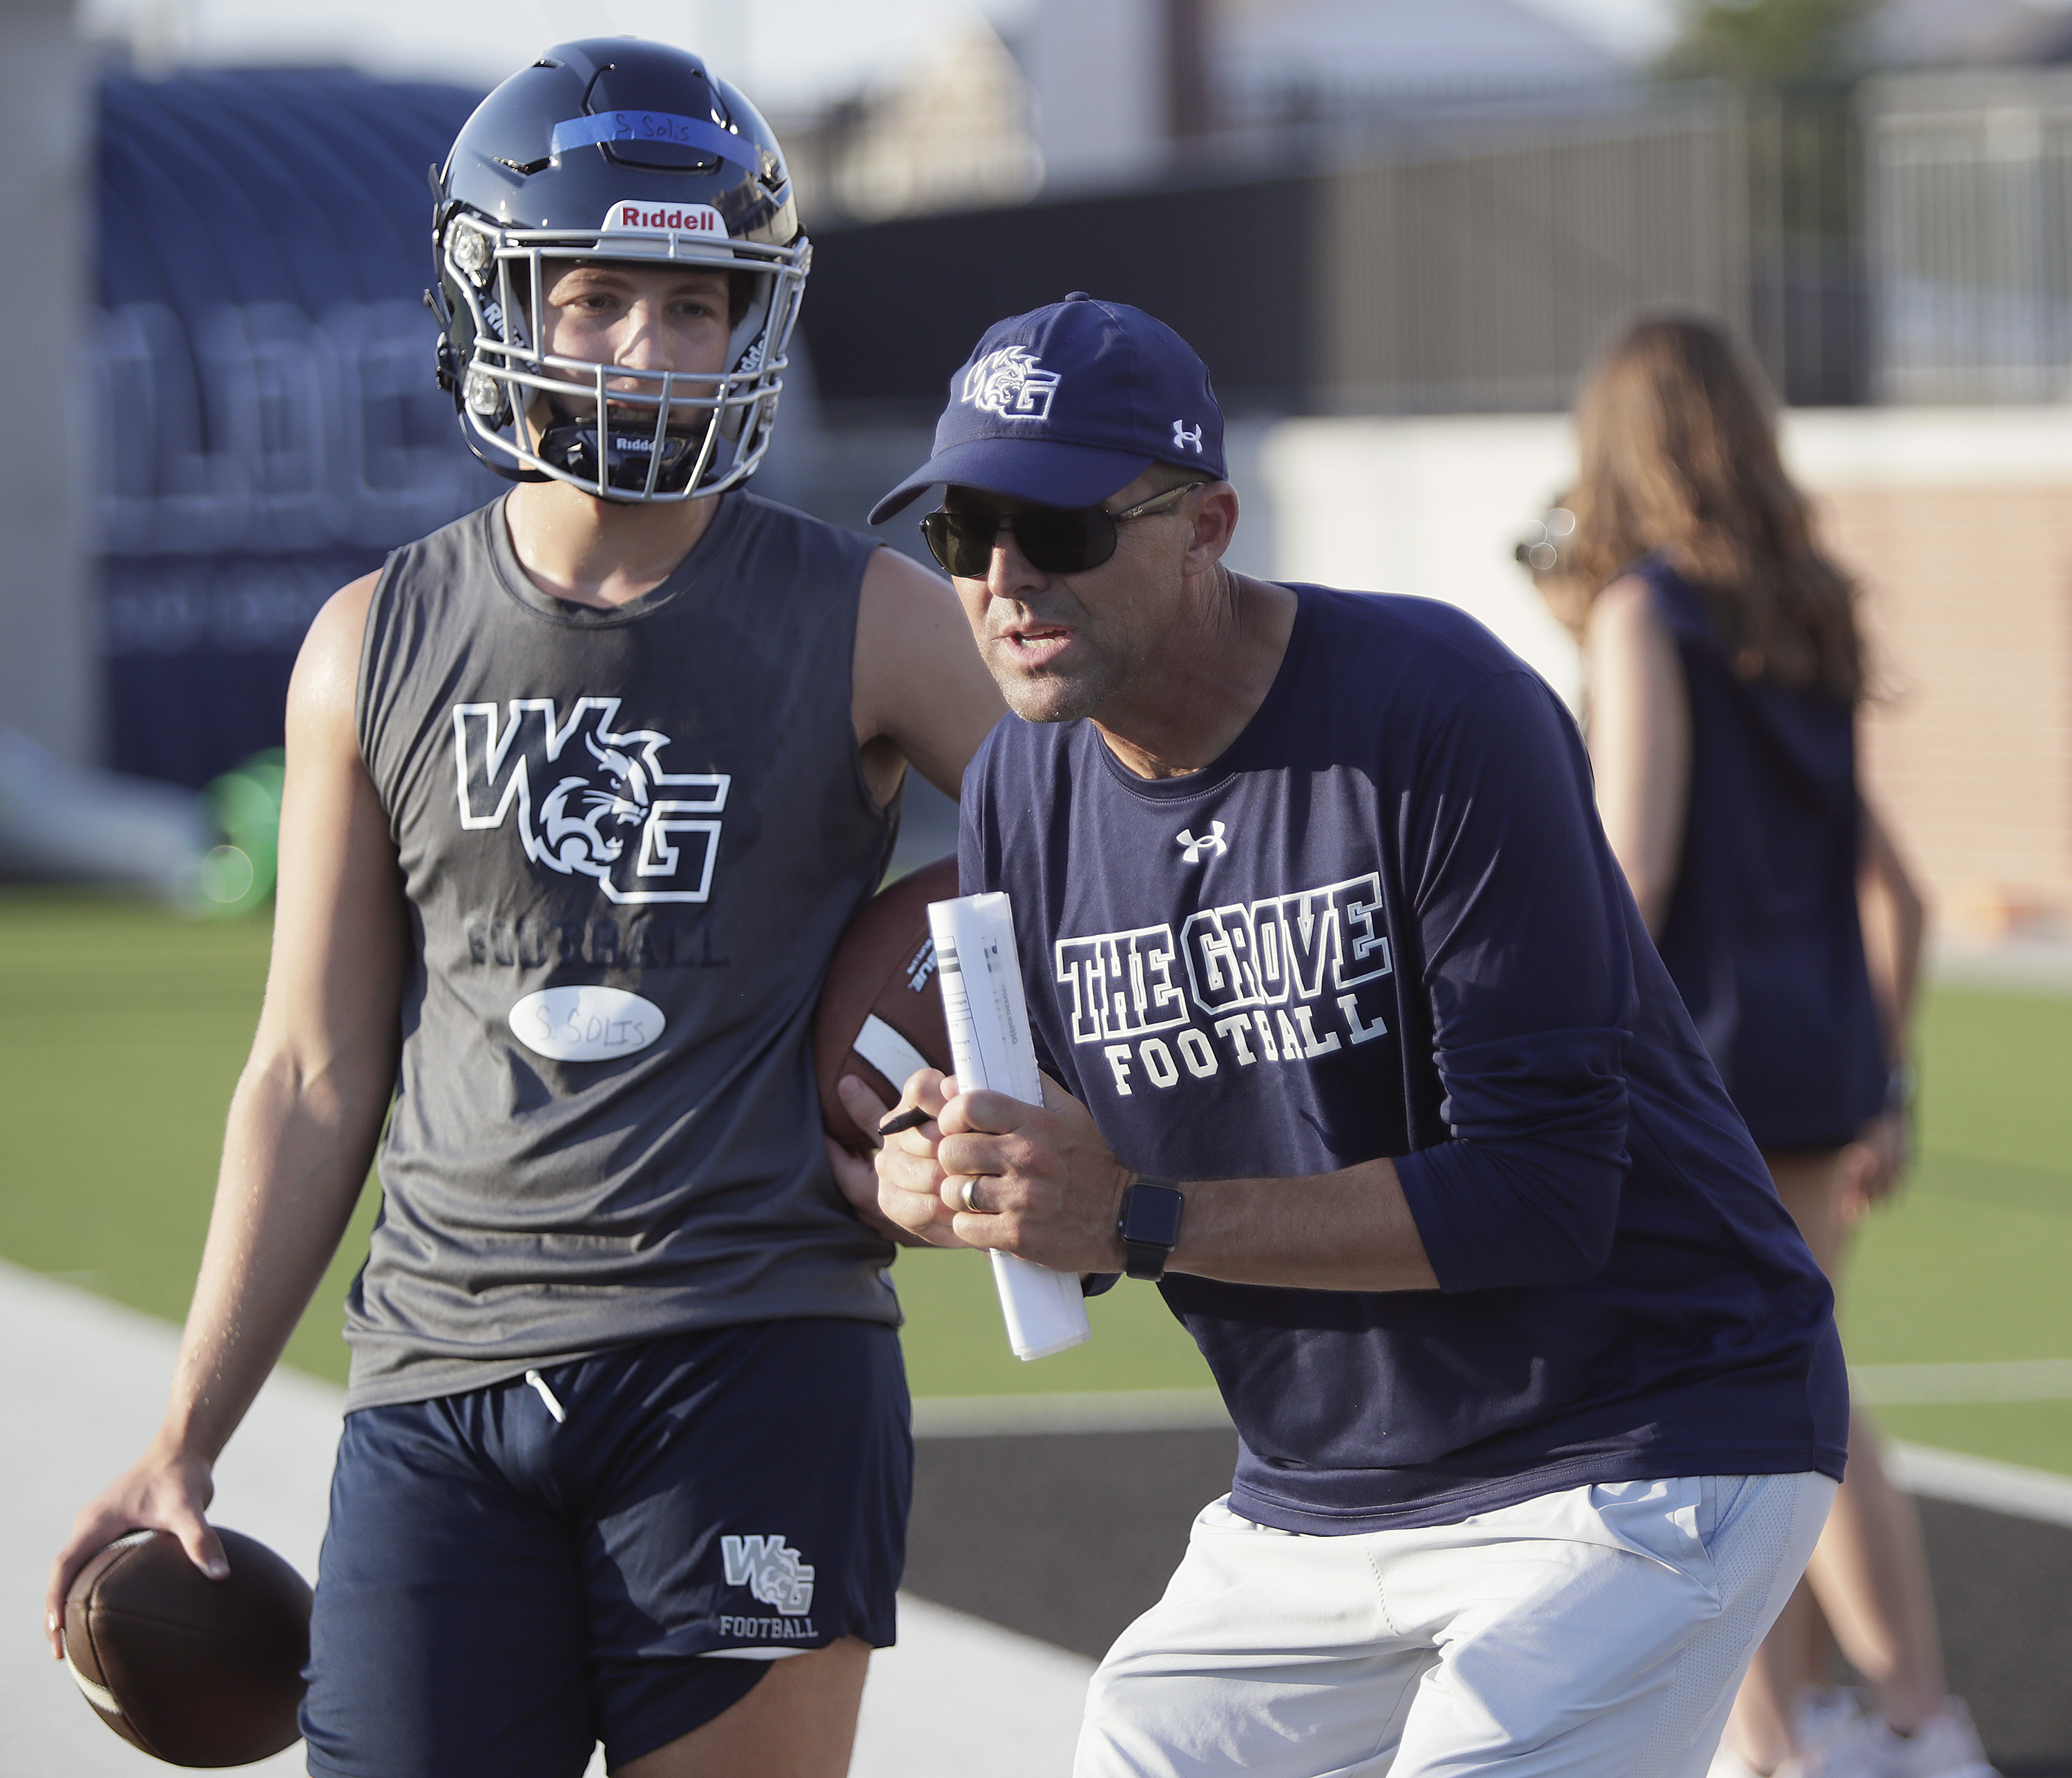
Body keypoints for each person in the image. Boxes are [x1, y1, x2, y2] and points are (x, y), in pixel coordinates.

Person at [46, 40, 999, 1778]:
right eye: (600, 294)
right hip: (440, 1376)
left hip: (752, 1352)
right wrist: (187, 1429)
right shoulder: (369, 642)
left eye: (697, 301)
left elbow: (1116, 862)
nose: (651, 345)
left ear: (755, 317)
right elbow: (311, 1074)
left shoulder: (872, 614)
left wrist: (992, 1074)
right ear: (502, 298)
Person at [850, 291, 1848, 1778]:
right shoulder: (1019, 791)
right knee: (1138, 1746)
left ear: (1206, 524)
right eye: (959, 533)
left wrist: (1126, 1214)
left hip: (1637, 1434)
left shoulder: (1441, 710)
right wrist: (953, 1172)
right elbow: (1084, 1175)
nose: (1002, 580)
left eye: (1055, 528)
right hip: (1324, 1495)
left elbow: (1544, 1192)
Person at [1550, 313, 1991, 1778]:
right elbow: (1902, 892)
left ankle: (1841, 1736)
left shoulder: (1644, 611)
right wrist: (1891, 1078)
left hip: (1700, 1067)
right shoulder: (1806, 611)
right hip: (1820, 1062)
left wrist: (1543, 1032)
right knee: (1802, 1379)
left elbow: (1639, 867)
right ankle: (1847, 1727)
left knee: (1715, 1403)